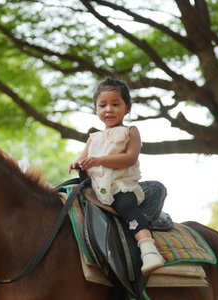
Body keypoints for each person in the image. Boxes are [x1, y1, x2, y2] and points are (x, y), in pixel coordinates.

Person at [69, 78, 164, 275]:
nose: (108, 110)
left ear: (127, 108)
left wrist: (97, 161)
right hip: (95, 189)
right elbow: (82, 159)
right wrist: (78, 164)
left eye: (115, 104)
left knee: (125, 206)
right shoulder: (93, 138)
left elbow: (129, 158)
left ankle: (147, 247)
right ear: (96, 109)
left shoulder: (130, 132)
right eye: (103, 105)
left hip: (120, 187)